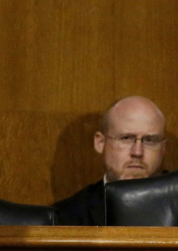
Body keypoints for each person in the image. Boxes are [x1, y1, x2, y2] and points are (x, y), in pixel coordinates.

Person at [53, 96, 168, 225]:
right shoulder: (65, 217)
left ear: (163, 148)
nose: (137, 152)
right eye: (126, 138)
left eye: (150, 140)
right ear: (100, 143)